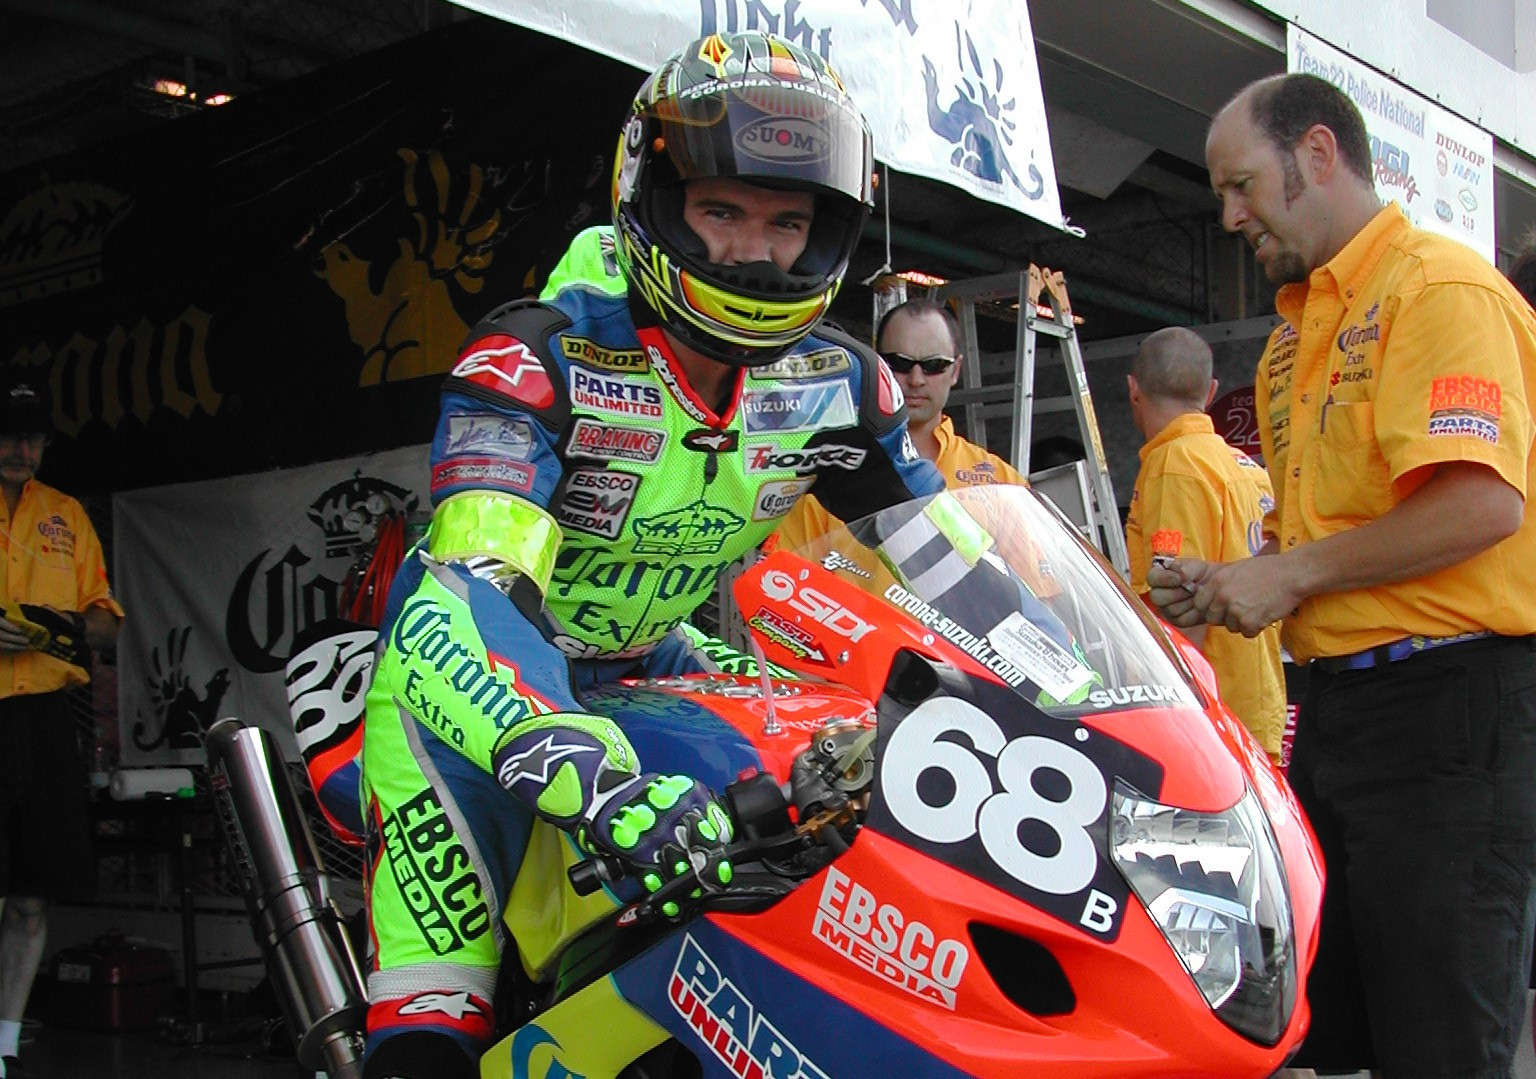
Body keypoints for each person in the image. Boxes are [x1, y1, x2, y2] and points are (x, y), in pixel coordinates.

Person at [357, 32, 944, 1079]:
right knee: (431, 1030)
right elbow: (470, 593)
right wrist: (596, 782)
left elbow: (951, 567)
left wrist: (1089, 692)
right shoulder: (534, 354)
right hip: (469, 690)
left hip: (651, 660)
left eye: (786, 222)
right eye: (722, 211)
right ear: (657, 203)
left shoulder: (843, 383)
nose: (751, 252)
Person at [1148, 72, 1536, 1078]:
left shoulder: (1439, 292)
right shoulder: (1287, 347)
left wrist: (1291, 577)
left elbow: (1484, 503)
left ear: (1317, 155)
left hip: (1452, 715)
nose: (1228, 215)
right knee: (1325, 1026)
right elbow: (1327, 533)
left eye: (1241, 186)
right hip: (1335, 716)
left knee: (1442, 1043)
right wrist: (1240, 579)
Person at [0, 377, 122, 1078]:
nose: (21, 447)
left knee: (31, 893)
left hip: (45, 717)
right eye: (9, 433)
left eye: (33, 435)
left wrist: (58, 627)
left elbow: (106, 625)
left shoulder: (66, 514)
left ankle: (6, 1039)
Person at [1124, 326, 1286, 760]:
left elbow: (1180, 602)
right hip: (1256, 707)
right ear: (1211, 391)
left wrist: (1163, 716)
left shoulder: (1173, 464)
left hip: (1209, 721)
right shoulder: (1243, 465)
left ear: (1133, 390)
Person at [775, 297, 1025, 552]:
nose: (916, 379)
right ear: (877, 363)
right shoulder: (829, 473)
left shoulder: (1000, 482)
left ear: (956, 370)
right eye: (900, 363)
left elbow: (1034, 588)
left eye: (934, 365)